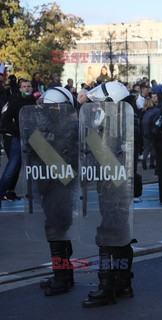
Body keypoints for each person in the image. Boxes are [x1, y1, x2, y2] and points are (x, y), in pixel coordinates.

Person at [79, 81, 136, 308]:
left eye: (100, 104)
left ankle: (107, 288)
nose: (96, 108)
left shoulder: (116, 125)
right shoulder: (122, 121)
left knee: (108, 236)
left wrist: (93, 133)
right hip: (115, 186)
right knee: (120, 236)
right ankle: (122, 284)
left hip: (115, 186)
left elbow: (105, 155)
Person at [21, 87, 78, 296]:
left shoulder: (69, 126)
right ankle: (62, 274)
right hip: (48, 184)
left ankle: (62, 278)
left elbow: (59, 156)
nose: (43, 111)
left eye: (47, 107)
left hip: (60, 186)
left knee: (57, 230)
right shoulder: (51, 123)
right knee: (54, 230)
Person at [0, 79, 35, 205]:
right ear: (20, 89)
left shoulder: (36, 102)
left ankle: (37, 194)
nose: (27, 88)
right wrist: (16, 130)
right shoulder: (15, 103)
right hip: (18, 138)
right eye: (24, 86)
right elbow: (5, 121)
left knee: (37, 168)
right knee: (12, 167)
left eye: (28, 86)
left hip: (34, 139)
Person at [141, 97, 156, 170]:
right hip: (151, 132)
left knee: (146, 149)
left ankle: (144, 163)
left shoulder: (143, 111)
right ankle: (152, 164)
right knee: (153, 148)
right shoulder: (153, 111)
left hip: (144, 133)